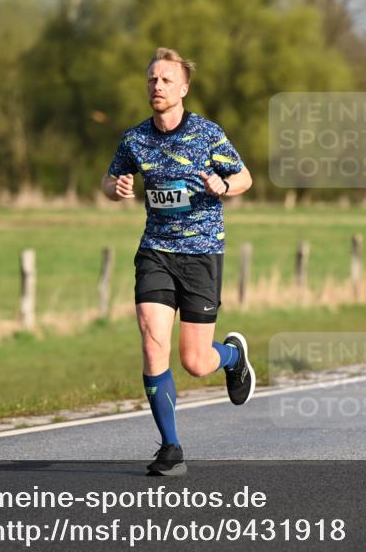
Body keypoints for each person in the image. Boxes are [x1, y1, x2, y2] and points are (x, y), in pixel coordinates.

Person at [102, 48, 255, 477]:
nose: (157, 86)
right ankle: (171, 448)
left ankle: (231, 357)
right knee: (153, 343)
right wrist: (115, 186)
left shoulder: (207, 133)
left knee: (195, 361)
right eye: (152, 79)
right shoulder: (135, 139)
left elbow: (245, 177)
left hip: (202, 253)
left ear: (183, 88)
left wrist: (223, 183)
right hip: (156, 251)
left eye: (166, 80)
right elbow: (107, 177)